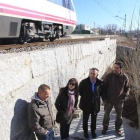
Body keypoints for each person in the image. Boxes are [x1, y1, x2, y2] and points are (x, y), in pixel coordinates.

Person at [102, 61, 130, 136]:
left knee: (119, 116)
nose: (115, 69)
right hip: (109, 100)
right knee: (106, 115)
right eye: (114, 67)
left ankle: (117, 128)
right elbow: (103, 88)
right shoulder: (108, 76)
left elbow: (127, 88)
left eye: (117, 68)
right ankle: (105, 127)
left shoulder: (124, 77)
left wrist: (124, 97)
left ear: (121, 69)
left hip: (119, 100)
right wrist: (104, 98)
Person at [79, 68, 103, 139]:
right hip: (86, 105)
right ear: (89, 73)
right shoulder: (84, 82)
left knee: (94, 120)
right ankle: (85, 132)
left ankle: (93, 131)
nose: (92, 75)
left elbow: (101, 92)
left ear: (97, 75)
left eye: (94, 74)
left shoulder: (100, 83)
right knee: (85, 120)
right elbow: (80, 92)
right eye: (91, 73)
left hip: (95, 105)